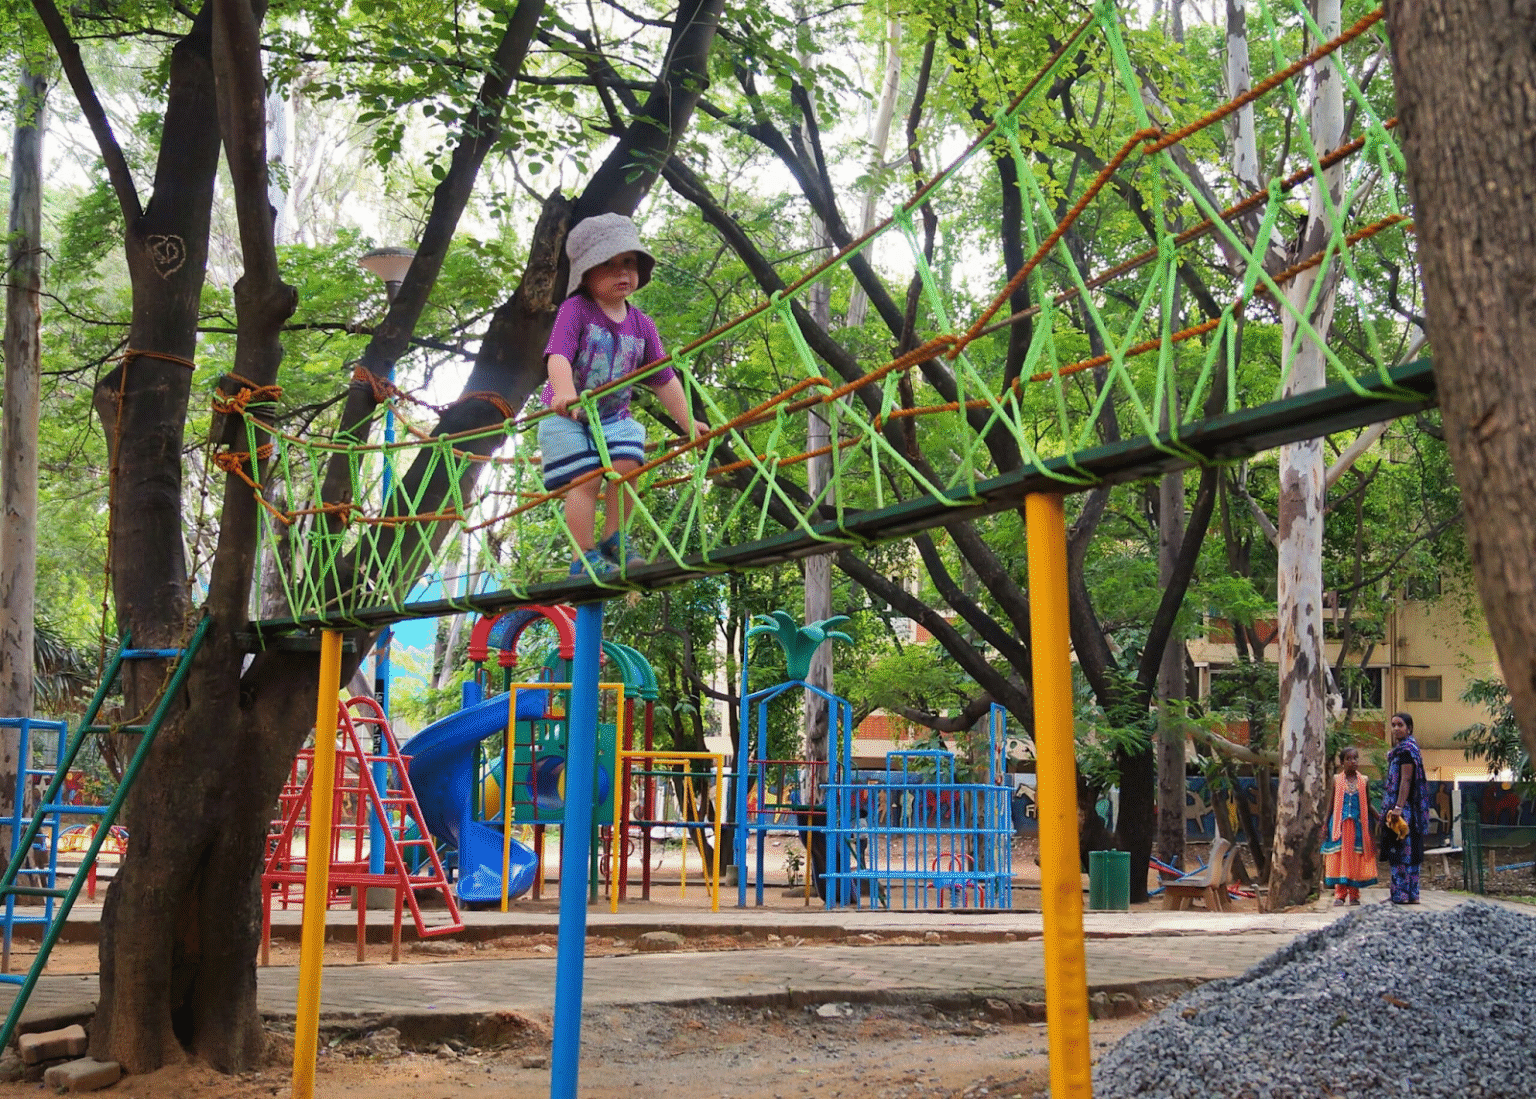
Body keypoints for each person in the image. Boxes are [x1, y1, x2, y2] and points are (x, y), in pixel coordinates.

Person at [539, 213, 707, 577]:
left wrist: (687, 422)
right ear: (586, 273)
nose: (622, 272)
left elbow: (663, 378)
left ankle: (614, 538)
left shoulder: (642, 324)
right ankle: (583, 555)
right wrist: (564, 392)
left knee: (628, 466)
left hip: (615, 418)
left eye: (629, 262)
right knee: (585, 479)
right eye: (609, 264)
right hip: (567, 416)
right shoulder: (575, 310)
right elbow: (558, 356)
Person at [1381, 710, 1429, 904]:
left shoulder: (1406, 752)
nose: (1396, 729)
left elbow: (1406, 780)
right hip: (1409, 809)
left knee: (1401, 850)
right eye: (1393, 725)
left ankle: (1402, 895)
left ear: (1409, 728)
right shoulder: (1402, 750)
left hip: (1404, 810)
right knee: (1409, 850)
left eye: (1400, 725)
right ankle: (1410, 894)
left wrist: (1398, 807)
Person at [1322, 746, 1377, 905]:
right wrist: (1325, 824)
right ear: (1342, 762)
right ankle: (1339, 895)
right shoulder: (1336, 780)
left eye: (1355, 758)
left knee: (1355, 859)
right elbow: (1331, 804)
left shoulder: (1364, 780)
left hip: (1358, 827)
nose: (1353, 761)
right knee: (1340, 859)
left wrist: (1379, 817)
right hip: (1338, 827)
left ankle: (1354, 895)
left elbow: (1368, 804)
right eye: (1349, 759)